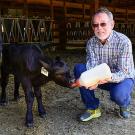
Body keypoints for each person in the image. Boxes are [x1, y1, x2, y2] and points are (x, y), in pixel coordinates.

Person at [74, 7, 135, 122]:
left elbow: (124, 72)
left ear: (112, 24)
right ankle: (92, 108)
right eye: (95, 25)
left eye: (103, 24)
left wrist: (106, 78)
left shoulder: (124, 42)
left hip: (122, 78)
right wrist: (93, 80)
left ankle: (124, 104)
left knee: (118, 95)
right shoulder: (91, 43)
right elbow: (92, 66)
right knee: (79, 69)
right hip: (102, 78)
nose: (99, 28)